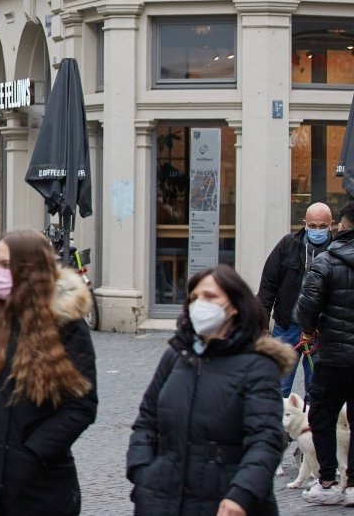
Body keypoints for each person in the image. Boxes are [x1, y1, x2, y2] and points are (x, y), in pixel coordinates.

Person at [0, 229, 98, 515]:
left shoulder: (67, 324)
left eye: (6, 265)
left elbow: (81, 406)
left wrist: (33, 452)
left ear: (32, 269)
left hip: (42, 487)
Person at [128, 263, 291, 515]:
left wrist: (241, 495)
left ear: (235, 306)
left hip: (226, 502)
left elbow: (265, 440)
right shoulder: (176, 356)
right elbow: (146, 421)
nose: (199, 304)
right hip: (162, 498)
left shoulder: (258, 366)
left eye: (210, 297)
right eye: (194, 298)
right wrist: (142, 472)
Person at [294, 201, 354, 506]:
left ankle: (328, 481)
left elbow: (306, 308)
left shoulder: (326, 262)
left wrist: (310, 329)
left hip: (332, 355)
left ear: (339, 227)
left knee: (321, 415)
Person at [257, 201, 331, 399]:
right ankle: (274, 428)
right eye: (313, 225)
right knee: (277, 386)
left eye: (323, 226)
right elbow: (268, 286)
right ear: (304, 223)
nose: (317, 230)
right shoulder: (288, 245)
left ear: (331, 224)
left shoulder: (336, 250)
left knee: (317, 389)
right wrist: (262, 323)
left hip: (320, 331)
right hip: (287, 325)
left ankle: (312, 428)